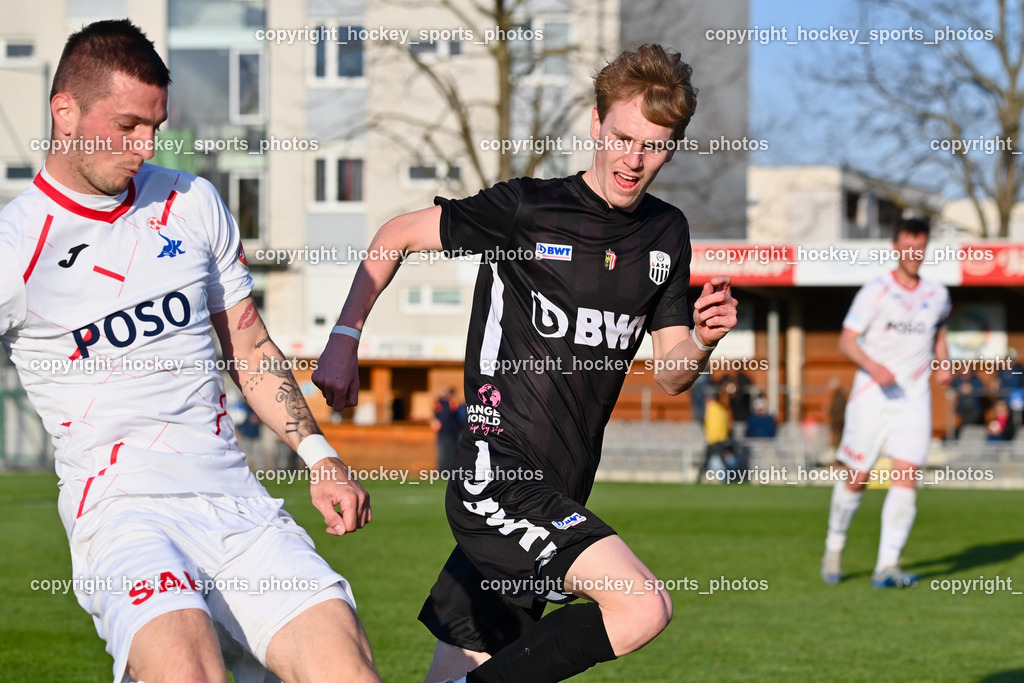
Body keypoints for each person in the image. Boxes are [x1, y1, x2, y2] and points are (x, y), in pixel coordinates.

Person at [313, 44, 738, 683]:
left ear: (673, 147)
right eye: (622, 137)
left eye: (654, 145)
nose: (633, 159)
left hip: (560, 489)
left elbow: (672, 375)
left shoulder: (666, 233)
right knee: (642, 605)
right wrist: (346, 336)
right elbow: (397, 234)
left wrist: (703, 340)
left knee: (462, 667)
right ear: (596, 125)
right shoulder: (528, 209)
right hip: (498, 478)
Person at [0, 20, 378, 683]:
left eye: (155, 126)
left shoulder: (192, 201)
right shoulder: (16, 243)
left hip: (235, 500)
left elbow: (250, 345)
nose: (146, 146)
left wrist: (321, 457)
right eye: (126, 127)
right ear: (65, 112)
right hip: (122, 511)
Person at [821, 218, 952, 589]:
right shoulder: (874, 291)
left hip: (914, 400)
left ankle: (887, 566)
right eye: (909, 247)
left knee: (906, 476)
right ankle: (834, 546)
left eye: (921, 247)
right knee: (857, 477)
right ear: (896, 247)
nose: (915, 254)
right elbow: (847, 341)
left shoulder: (938, 295)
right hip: (872, 398)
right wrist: (873, 366)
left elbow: (939, 332)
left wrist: (943, 365)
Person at [433, 387, 463, 473]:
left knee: (451, 453)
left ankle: (449, 471)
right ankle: (443, 471)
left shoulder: (452, 403)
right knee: (443, 453)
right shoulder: (440, 404)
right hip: (442, 432)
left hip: (452, 433)